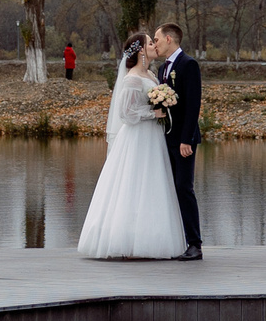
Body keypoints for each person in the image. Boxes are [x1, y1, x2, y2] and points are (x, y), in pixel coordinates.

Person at [75, 31, 188, 259]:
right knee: (132, 184)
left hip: (153, 138)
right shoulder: (133, 77)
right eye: (149, 43)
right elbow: (125, 113)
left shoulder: (153, 75)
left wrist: (162, 109)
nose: (154, 46)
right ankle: (125, 241)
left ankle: (150, 240)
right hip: (136, 138)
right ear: (139, 50)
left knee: (152, 185)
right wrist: (153, 112)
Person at [153, 23, 204, 261]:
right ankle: (177, 241)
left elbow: (193, 105)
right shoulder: (163, 68)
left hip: (183, 140)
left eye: (157, 39)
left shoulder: (188, 64)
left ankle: (195, 244)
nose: (155, 43)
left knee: (184, 188)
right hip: (167, 138)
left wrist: (187, 140)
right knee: (172, 189)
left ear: (170, 39)